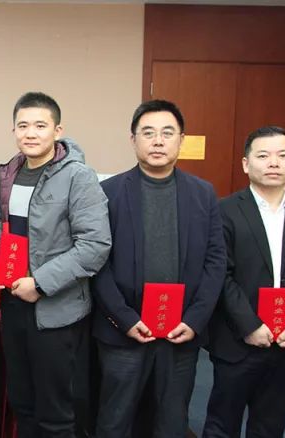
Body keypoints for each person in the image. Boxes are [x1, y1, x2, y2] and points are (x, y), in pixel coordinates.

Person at [91, 99, 226, 437]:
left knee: (171, 421)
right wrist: (124, 318)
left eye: (167, 133)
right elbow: (97, 262)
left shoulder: (203, 193)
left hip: (181, 331)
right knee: (115, 421)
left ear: (181, 139)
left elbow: (215, 261)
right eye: (148, 133)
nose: (158, 141)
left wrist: (194, 320)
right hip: (124, 331)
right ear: (133, 139)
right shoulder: (107, 193)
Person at [0, 92, 111, 437]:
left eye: (40, 125)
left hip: (57, 312)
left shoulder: (78, 177)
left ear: (58, 131)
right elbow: (1, 229)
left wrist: (39, 283)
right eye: (23, 125)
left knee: (56, 414)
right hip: (14, 305)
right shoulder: (12, 172)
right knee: (22, 404)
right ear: (14, 130)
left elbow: (95, 245)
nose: (31, 133)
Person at [203, 126, 285, 437]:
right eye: (263, 156)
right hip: (238, 340)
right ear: (246, 164)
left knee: (270, 426)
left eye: (282, 155)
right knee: (221, 425)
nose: (273, 163)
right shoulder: (222, 211)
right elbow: (220, 274)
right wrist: (249, 325)